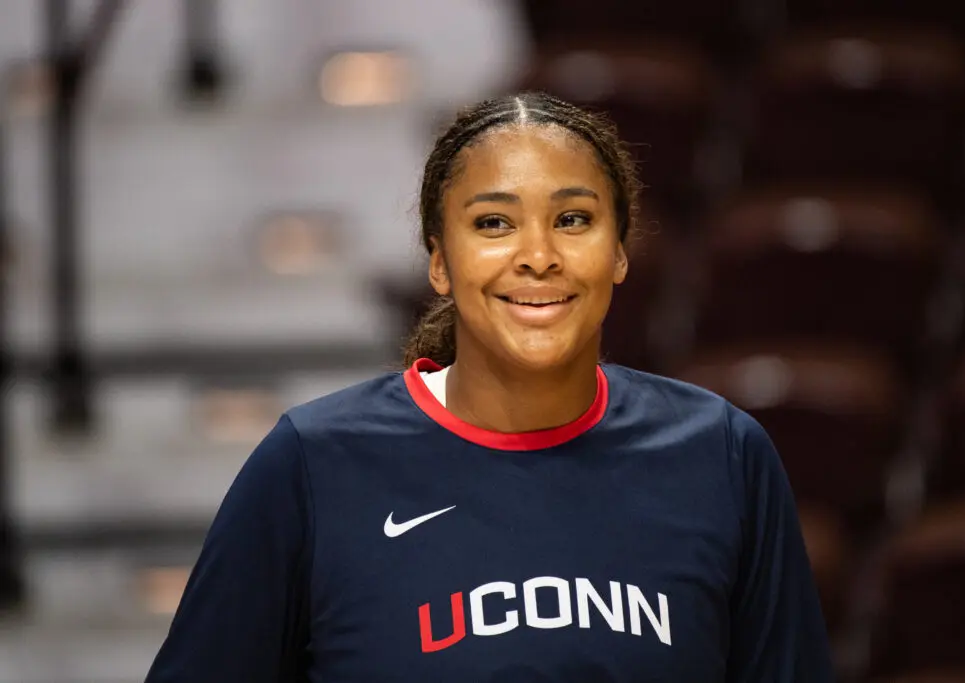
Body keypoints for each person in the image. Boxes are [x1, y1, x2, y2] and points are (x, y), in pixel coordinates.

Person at [145, 92, 835, 682]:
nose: (538, 256)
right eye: (493, 223)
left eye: (573, 219)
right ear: (440, 263)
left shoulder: (721, 456)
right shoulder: (313, 463)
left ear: (620, 250)